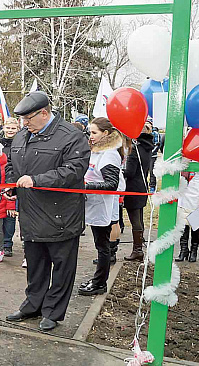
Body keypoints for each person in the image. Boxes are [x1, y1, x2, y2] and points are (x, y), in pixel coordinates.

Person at [4, 91, 90, 331]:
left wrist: (37, 180)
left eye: (29, 118)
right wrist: (13, 185)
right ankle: (33, 305)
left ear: (45, 113)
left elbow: (74, 170)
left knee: (62, 267)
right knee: (35, 264)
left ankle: (53, 312)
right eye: (22, 119)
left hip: (60, 214)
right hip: (31, 213)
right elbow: (12, 164)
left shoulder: (71, 136)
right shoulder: (23, 136)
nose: (24, 124)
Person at [78, 118, 126, 296]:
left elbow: (111, 184)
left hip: (102, 206)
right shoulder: (97, 151)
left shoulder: (110, 154)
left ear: (105, 134)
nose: (90, 136)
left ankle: (100, 283)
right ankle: (98, 280)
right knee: (99, 244)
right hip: (91, 203)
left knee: (102, 246)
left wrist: (85, 187)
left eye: (94, 133)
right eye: (90, 132)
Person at [123, 121, 154, 262]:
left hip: (132, 188)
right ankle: (139, 247)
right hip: (142, 186)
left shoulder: (134, 149)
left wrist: (119, 170)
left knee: (135, 219)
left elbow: (129, 172)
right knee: (139, 218)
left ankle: (137, 250)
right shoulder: (147, 148)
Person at [174, 171, 199, 262]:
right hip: (184, 195)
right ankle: (183, 250)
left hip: (197, 197)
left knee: (196, 224)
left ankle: (194, 250)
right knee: (183, 223)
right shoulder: (185, 158)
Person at [0, 117, 20, 257]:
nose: (10, 131)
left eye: (13, 128)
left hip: (13, 180)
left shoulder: (20, 143)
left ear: (17, 129)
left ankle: (7, 243)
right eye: (8, 128)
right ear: (4, 128)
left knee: (10, 216)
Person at [149, 126, 161, 193]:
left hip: (152, 155)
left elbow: (157, 144)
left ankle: (152, 187)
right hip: (145, 155)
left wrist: (151, 153)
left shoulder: (155, 133)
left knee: (152, 171)